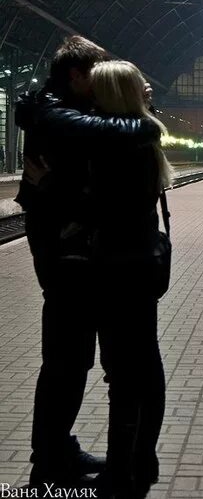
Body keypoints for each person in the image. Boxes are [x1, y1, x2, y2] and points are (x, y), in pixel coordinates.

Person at [15, 36, 162, 489]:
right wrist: (146, 124)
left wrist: (55, 188)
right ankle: (67, 459)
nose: (97, 85)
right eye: (94, 75)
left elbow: (95, 199)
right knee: (78, 367)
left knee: (89, 367)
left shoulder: (89, 122)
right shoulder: (56, 115)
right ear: (78, 77)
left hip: (99, 267)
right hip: (73, 268)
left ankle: (91, 461)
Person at [86, 60, 173, 499]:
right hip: (140, 267)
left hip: (117, 269)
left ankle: (122, 469)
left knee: (122, 372)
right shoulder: (141, 139)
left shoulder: (116, 147)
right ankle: (143, 458)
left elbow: (100, 209)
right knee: (144, 365)